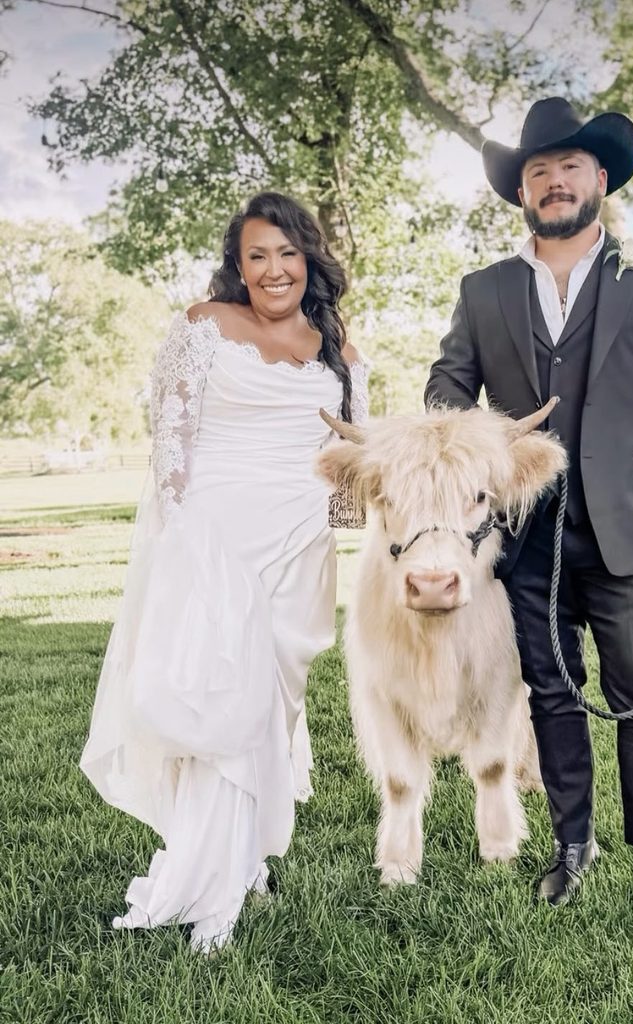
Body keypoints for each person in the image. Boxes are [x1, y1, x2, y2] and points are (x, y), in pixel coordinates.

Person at [425, 98, 633, 936]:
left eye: (568, 168)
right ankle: (573, 844)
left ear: (598, 179)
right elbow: (447, 387)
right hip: (526, 534)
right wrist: (487, 436)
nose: (554, 183)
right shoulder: (484, 289)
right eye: (537, 172)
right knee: (553, 693)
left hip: (631, 521)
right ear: (522, 190)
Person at [81, 191, 369, 953]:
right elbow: (169, 438)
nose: (274, 270)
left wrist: (348, 536)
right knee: (221, 705)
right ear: (237, 267)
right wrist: (180, 542)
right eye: (257, 256)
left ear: (310, 259)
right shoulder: (203, 325)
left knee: (273, 707)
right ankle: (208, 884)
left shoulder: (336, 344)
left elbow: (352, 458)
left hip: (301, 547)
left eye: (287, 254)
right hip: (217, 539)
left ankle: (247, 862)